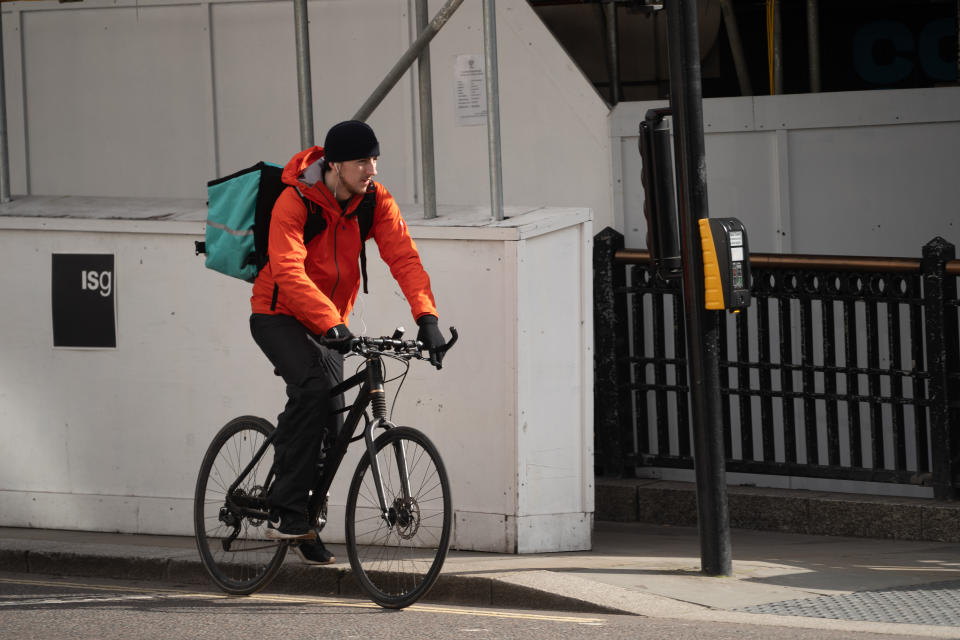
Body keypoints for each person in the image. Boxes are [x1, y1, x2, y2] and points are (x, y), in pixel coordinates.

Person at [249, 120, 447, 564]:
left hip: (328, 323)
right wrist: (328, 322)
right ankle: (284, 512)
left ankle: (305, 521)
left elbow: (403, 257)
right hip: (276, 314)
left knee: (333, 432)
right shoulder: (295, 200)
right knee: (313, 393)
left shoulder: (373, 201)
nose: (370, 169)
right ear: (334, 165)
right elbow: (288, 270)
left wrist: (427, 316)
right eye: (361, 161)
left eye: (375, 159)